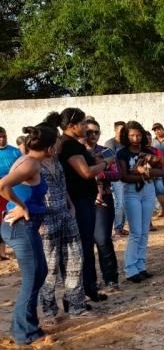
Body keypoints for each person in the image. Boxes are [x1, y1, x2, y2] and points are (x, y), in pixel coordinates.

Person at [0, 123, 58, 344]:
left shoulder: (28, 160)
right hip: (20, 227)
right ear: (50, 147)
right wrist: (21, 206)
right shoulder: (30, 164)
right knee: (33, 277)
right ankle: (25, 333)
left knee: (39, 272)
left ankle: (24, 327)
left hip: (26, 226)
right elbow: (2, 185)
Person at [57, 108, 113, 303]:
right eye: (82, 124)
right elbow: (86, 172)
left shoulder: (71, 144)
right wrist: (106, 163)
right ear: (72, 126)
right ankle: (78, 293)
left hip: (82, 200)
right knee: (81, 247)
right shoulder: (70, 145)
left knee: (85, 246)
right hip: (79, 201)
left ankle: (87, 288)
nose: (85, 127)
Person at [118, 121, 163, 282]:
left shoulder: (148, 151)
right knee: (136, 232)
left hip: (148, 191)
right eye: (132, 135)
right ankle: (130, 269)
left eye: (138, 135)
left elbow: (161, 171)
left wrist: (144, 171)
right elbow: (124, 176)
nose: (135, 138)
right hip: (132, 192)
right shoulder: (122, 153)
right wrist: (143, 174)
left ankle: (141, 266)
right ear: (126, 136)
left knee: (144, 231)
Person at [84, 118, 121, 292]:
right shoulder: (77, 152)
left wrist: (98, 174)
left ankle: (111, 278)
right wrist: (100, 169)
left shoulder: (106, 151)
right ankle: (90, 282)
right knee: (86, 242)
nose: (93, 135)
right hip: (83, 200)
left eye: (96, 132)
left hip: (104, 199)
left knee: (103, 239)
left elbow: (117, 173)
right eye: (89, 132)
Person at [0, 126, 23, 261]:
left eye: (4, 136)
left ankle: (5, 251)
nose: (2, 139)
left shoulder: (15, 151)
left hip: (12, 190)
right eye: (0, 137)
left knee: (9, 215)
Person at [105, 121, 128, 238]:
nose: (122, 133)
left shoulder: (126, 143)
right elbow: (111, 161)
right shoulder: (110, 143)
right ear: (115, 130)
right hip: (116, 177)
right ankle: (117, 228)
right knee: (120, 202)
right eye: (120, 130)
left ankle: (121, 227)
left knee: (124, 202)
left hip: (125, 175)